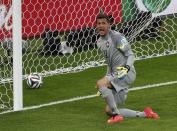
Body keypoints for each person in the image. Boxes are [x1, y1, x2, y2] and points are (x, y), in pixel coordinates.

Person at [96, 13, 159, 124]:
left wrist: (126, 68)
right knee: (109, 110)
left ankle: (116, 116)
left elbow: (130, 55)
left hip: (125, 72)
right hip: (116, 74)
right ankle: (145, 113)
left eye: (103, 23)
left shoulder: (116, 37)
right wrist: (105, 82)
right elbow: (109, 64)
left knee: (101, 84)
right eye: (98, 23)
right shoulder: (99, 42)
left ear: (109, 25)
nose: (101, 25)